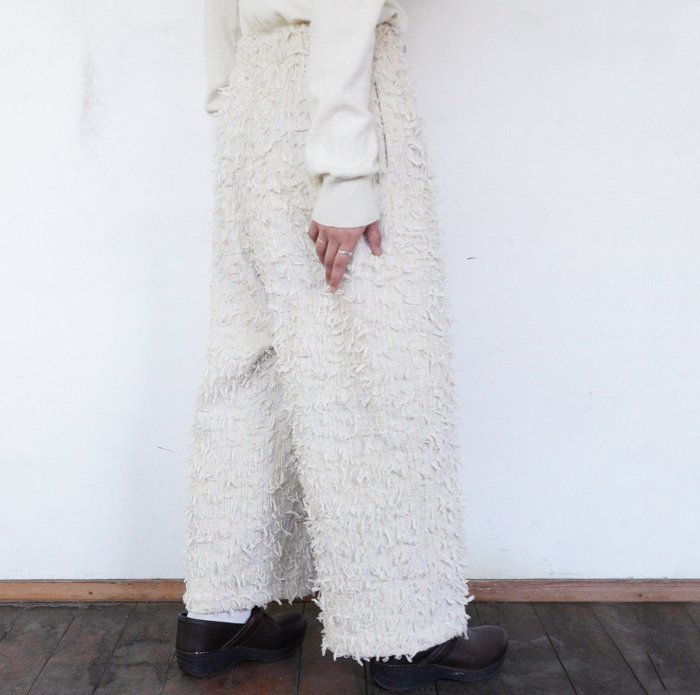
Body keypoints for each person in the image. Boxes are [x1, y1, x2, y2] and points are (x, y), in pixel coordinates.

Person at [174, 0, 509, 689]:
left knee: (252, 367)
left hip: (253, 100)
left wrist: (231, 99)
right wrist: (347, 168)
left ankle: (218, 611)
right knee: (371, 366)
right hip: (326, 96)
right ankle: (406, 633)